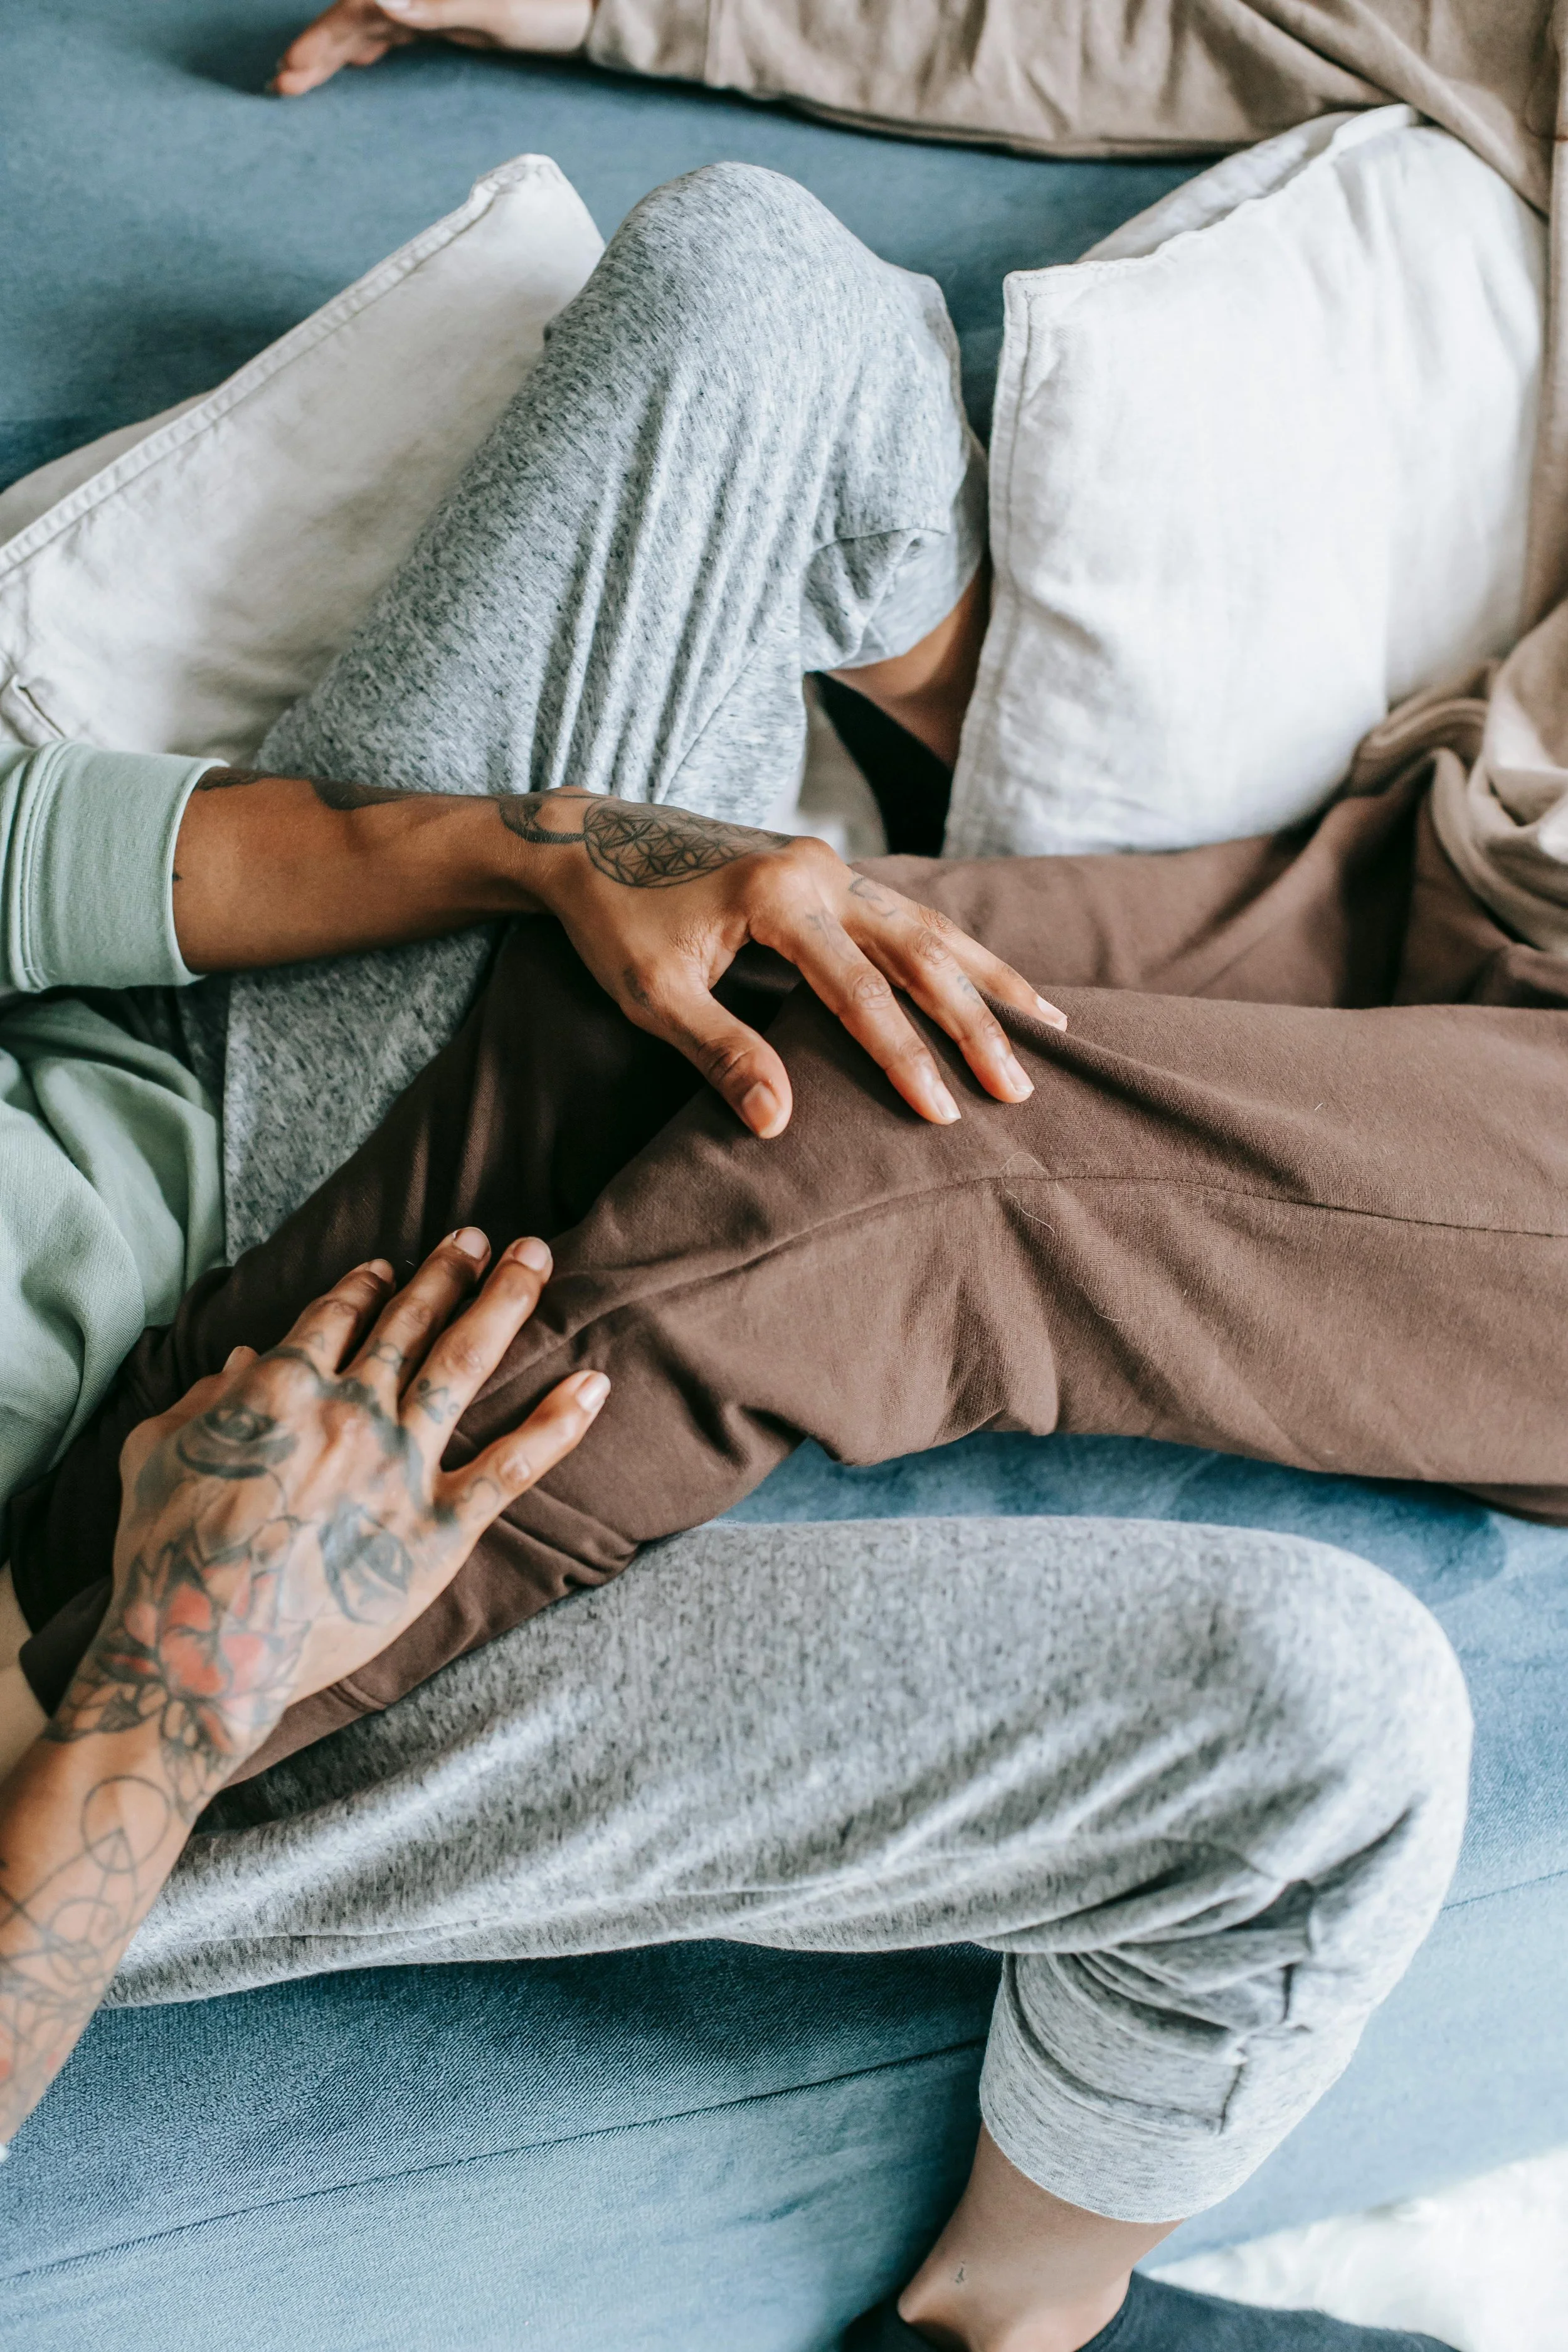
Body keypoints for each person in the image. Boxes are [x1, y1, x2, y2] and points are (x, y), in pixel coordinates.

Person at [1, 162, 1544, 2348]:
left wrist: (562, 851)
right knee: (1329, 1726)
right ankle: (1012, 2317)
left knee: (750, 290)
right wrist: (175, 1673)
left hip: (227, 1085)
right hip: (104, 1645)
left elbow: (37, 856)